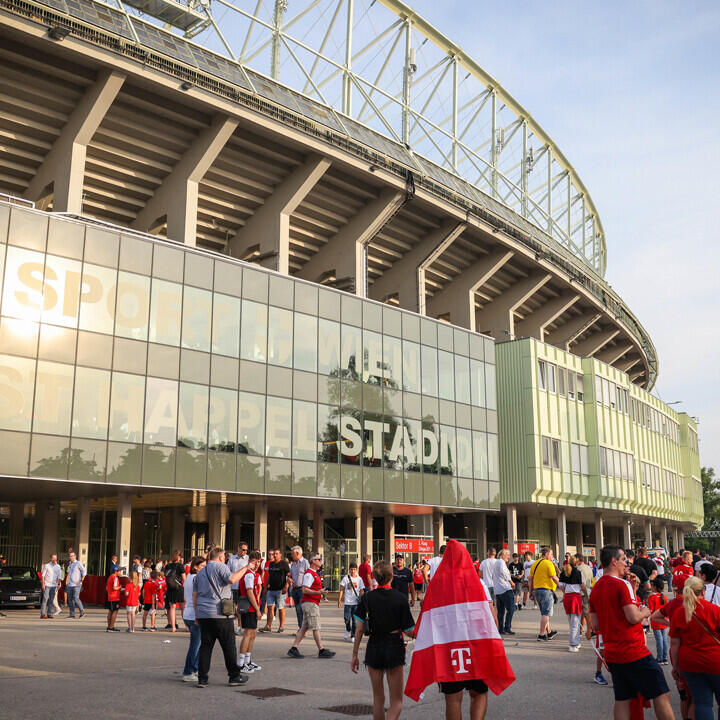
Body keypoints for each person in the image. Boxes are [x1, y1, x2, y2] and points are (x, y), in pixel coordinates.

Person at [589, 545, 674, 720]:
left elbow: (595, 625)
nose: (627, 564)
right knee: (661, 693)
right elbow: (633, 617)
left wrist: (633, 593)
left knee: (623, 698)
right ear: (614, 561)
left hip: (613, 653)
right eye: (624, 560)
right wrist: (646, 611)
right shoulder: (622, 584)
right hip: (633, 650)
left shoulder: (597, 588)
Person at [351, 560, 415, 720]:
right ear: (392, 576)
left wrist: (355, 655)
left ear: (374, 576)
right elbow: (409, 632)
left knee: (378, 700)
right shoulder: (400, 598)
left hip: (374, 645)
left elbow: (359, 628)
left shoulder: (367, 598)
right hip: (393, 645)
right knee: (397, 702)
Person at [193, 546, 257, 688]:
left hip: (204, 614)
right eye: (224, 558)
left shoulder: (200, 573)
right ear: (221, 557)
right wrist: (246, 567)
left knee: (206, 646)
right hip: (220, 614)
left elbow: (195, 595)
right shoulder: (220, 567)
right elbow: (232, 579)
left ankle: (202, 678)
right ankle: (234, 676)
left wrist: (197, 614)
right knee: (228, 645)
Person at [669, 575, 720, 720]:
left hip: (690, 664)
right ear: (703, 591)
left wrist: (676, 666)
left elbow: (674, 644)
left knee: (702, 703)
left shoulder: (680, 613)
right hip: (715, 661)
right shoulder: (715, 610)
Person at [287, 552, 335, 659]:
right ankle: (321, 650)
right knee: (315, 627)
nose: (320, 561)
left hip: (310, 603)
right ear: (313, 561)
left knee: (304, 627)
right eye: (319, 559)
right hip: (310, 604)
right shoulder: (310, 574)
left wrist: (320, 591)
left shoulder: (313, 573)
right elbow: (304, 589)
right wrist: (319, 592)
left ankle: (294, 648)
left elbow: (309, 589)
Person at [237, 550, 263, 674]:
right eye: (254, 562)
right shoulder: (248, 574)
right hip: (249, 607)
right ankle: (241, 663)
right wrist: (257, 609)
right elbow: (249, 592)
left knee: (253, 633)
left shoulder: (254, 574)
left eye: (258, 562)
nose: (256, 564)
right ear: (249, 562)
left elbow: (258, 590)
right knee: (247, 634)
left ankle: (247, 660)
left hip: (253, 606)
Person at [181, 556, 205, 681]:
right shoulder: (196, 578)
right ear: (195, 567)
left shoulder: (189, 577)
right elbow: (197, 597)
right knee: (195, 646)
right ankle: (188, 671)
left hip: (188, 613)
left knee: (198, 644)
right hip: (194, 614)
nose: (204, 569)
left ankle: (194, 669)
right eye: (202, 566)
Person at [529, 547, 560, 641]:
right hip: (546, 591)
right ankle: (541, 634)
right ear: (546, 554)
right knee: (546, 613)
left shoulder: (535, 563)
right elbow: (554, 578)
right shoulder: (548, 563)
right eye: (551, 554)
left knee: (544, 613)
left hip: (537, 590)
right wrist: (563, 588)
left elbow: (530, 579)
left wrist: (530, 592)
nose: (552, 556)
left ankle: (549, 632)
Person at [558, 555, 587, 652]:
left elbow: (561, 586)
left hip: (567, 597)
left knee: (571, 622)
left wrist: (565, 592)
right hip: (575, 597)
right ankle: (573, 644)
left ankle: (576, 642)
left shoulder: (564, 572)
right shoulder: (578, 572)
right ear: (577, 563)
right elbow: (582, 586)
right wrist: (587, 595)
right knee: (575, 622)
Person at [260, 548, 290, 633]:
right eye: (274, 554)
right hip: (271, 589)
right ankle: (268, 626)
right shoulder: (271, 564)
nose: (275, 555)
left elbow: (288, 576)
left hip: (280, 589)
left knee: (280, 608)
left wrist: (286, 587)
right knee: (270, 607)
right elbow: (269, 576)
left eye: (277, 554)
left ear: (280, 554)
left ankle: (281, 626)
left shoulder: (284, 563)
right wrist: (265, 587)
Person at [339, 562, 365, 640]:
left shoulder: (359, 579)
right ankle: (348, 629)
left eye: (354, 569)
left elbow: (362, 590)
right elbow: (342, 589)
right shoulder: (346, 578)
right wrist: (339, 600)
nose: (353, 571)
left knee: (355, 621)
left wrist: (361, 598)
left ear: (356, 570)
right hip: (347, 602)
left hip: (356, 602)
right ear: (349, 570)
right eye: (351, 569)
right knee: (346, 619)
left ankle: (353, 635)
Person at [493, 549, 516, 635]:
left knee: (501, 611)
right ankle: (507, 627)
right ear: (503, 555)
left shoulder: (496, 563)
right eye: (508, 555)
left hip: (498, 590)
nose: (509, 557)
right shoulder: (501, 562)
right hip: (505, 589)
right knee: (511, 609)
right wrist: (511, 582)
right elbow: (504, 573)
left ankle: (501, 629)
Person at [648, 578, 670, 664]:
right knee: (664, 639)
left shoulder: (651, 597)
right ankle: (665, 658)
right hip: (664, 620)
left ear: (654, 587)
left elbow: (650, 610)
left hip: (656, 621)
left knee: (659, 640)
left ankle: (660, 658)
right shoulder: (663, 596)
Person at [228, 542, 249, 632]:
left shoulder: (248, 559)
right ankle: (239, 625)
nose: (244, 552)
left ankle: (242, 625)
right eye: (243, 549)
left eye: (246, 550)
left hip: (244, 587)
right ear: (238, 549)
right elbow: (228, 571)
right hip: (234, 586)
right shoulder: (232, 559)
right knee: (235, 607)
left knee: (243, 608)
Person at [164, 550, 185, 632]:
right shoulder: (180, 566)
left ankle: (173, 627)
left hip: (170, 589)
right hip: (179, 588)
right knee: (183, 608)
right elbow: (184, 579)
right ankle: (186, 626)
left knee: (172, 608)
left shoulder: (167, 566)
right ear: (179, 557)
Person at [289, 545, 310, 628]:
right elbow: (290, 575)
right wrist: (289, 579)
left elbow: (309, 575)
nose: (291, 555)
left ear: (297, 553)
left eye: (292, 553)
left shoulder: (305, 562)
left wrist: (306, 587)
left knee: (300, 608)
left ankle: (302, 628)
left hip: (302, 590)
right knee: (298, 610)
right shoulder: (293, 564)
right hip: (294, 590)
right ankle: (301, 627)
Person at [40, 553, 62, 619]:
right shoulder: (47, 565)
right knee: (45, 599)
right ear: (51, 558)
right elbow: (43, 575)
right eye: (53, 558)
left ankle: (49, 613)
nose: (54, 559)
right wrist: (43, 584)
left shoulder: (58, 566)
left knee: (51, 600)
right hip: (47, 585)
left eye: (55, 558)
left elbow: (59, 577)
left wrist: (58, 584)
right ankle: (43, 614)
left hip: (54, 586)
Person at [65, 550, 86, 619]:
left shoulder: (78, 563)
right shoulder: (70, 564)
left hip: (77, 584)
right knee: (70, 599)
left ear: (75, 556)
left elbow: (84, 571)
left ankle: (82, 612)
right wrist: (67, 581)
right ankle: (72, 614)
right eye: (70, 556)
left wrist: (81, 580)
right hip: (70, 584)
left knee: (76, 598)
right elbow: (69, 573)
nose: (71, 557)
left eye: (72, 556)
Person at [106, 566, 122, 632]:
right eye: (119, 571)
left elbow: (107, 588)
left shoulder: (109, 577)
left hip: (110, 597)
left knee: (110, 611)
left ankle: (109, 626)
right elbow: (114, 587)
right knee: (115, 611)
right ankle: (111, 627)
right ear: (116, 571)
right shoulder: (115, 578)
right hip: (114, 597)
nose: (120, 572)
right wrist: (120, 587)